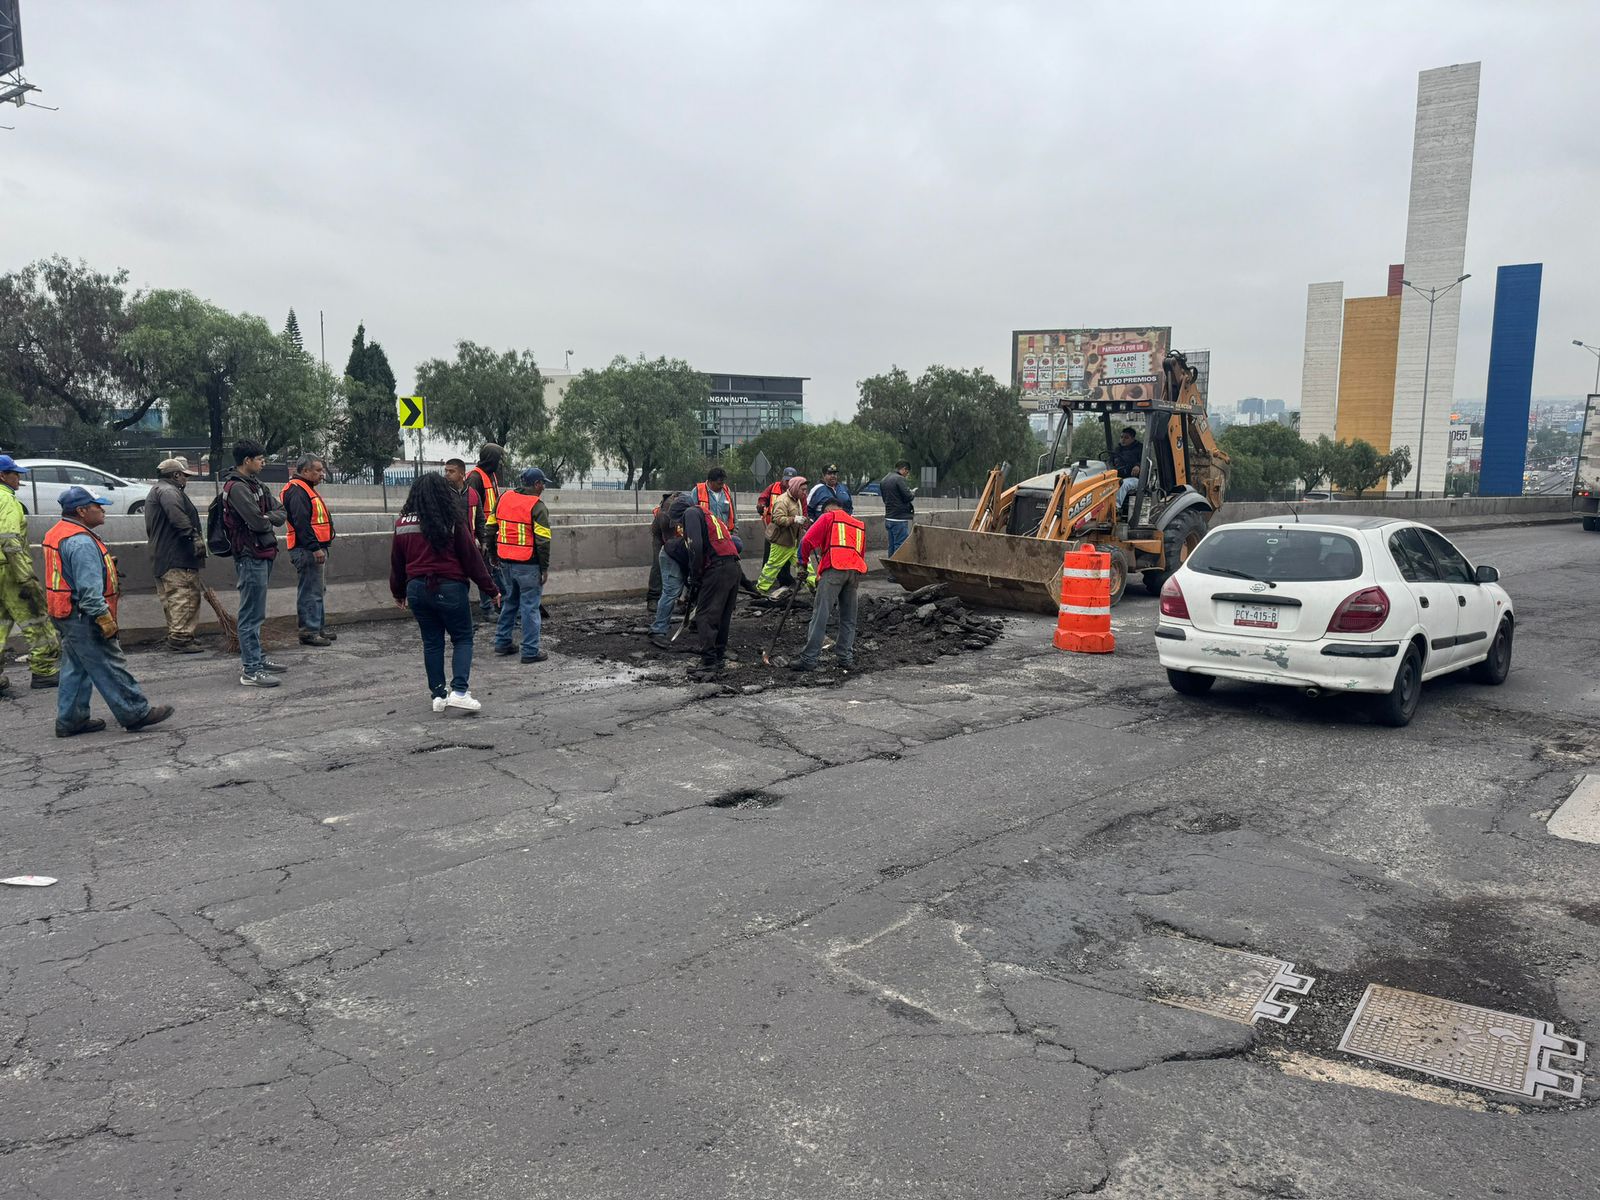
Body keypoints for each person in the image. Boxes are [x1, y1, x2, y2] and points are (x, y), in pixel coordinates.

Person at [42, 486, 173, 736]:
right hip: (84, 615)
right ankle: (135, 712)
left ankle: (71, 719)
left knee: (76, 667)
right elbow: (89, 591)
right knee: (109, 663)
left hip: (65, 612)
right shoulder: (81, 542)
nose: (102, 510)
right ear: (81, 511)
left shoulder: (58, 533)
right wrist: (104, 620)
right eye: (97, 506)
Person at [390, 472, 500, 713]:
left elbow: (397, 563)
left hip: (417, 589)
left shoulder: (402, 524)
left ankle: (439, 696)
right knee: (462, 638)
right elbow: (471, 559)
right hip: (449, 588)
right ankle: (460, 691)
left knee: (432, 642)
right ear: (443, 493)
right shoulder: (452, 520)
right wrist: (491, 589)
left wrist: (398, 592)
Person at [222, 438, 289, 688]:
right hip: (250, 554)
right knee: (250, 614)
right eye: (260, 459)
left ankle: (258, 658)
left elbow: (280, 512)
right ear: (247, 460)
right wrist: (267, 517)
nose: (263, 462)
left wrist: (267, 516)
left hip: (263, 552)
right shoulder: (237, 487)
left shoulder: (256, 484)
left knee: (257, 612)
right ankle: (251, 669)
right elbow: (258, 523)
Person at [0, 454, 61, 692]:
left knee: (2, 623)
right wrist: (25, 577)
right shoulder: (6, 500)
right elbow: (10, 540)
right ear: (3, 476)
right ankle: (44, 670)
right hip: (10, 571)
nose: (19, 478)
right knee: (36, 618)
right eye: (15, 474)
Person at [791, 498, 868, 673]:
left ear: (827, 510)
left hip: (834, 569)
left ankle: (809, 659)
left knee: (821, 615)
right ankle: (845, 658)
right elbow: (861, 552)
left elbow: (807, 541)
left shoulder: (828, 518)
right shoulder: (858, 524)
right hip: (854, 572)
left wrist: (802, 563)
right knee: (849, 618)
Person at [144, 457, 207, 654]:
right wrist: (194, 538)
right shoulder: (169, 492)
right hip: (176, 556)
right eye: (184, 476)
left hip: (162, 556)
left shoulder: (157, 490)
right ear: (176, 475)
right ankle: (181, 638)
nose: (186, 481)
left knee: (172, 598)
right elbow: (178, 518)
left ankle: (178, 634)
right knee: (184, 595)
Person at [676, 491, 741, 675]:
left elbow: (695, 547)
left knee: (705, 615)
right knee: (722, 616)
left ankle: (708, 661)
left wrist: (695, 576)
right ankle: (719, 657)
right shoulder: (709, 515)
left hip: (718, 568)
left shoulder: (690, 513)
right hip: (733, 567)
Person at [493, 467, 553, 664]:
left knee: (510, 601)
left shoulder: (504, 498)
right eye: (542, 483)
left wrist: (493, 554)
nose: (543, 487)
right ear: (536, 484)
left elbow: (490, 526)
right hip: (528, 564)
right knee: (530, 607)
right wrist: (544, 568)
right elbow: (543, 541)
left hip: (506, 562)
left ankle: (502, 642)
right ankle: (530, 651)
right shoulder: (537, 506)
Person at [281, 455, 336, 647]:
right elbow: (302, 524)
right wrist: (315, 548)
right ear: (305, 471)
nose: (322, 474)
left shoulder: (305, 489)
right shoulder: (297, 491)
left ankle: (317, 627)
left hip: (313, 548)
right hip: (307, 549)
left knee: (317, 590)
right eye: (318, 470)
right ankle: (309, 631)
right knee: (311, 591)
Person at [465, 444, 505, 620]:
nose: (500, 463)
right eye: (498, 459)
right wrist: (477, 537)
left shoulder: (491, 476)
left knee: (495, 570)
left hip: (492, 532)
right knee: (485, 571)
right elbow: (471, 509)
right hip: (481, 534)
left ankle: (500, 604)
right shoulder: (475, 478)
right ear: (491, 459)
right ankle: (487, 608)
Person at [647, 499, 691, 650]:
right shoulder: (666, 518)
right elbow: (671, 546)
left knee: (690, 582)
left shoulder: (693, 517)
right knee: (670, 590)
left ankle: (692, 615)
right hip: (668, 549)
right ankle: (657, 630)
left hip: (679, 549)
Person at [755, 474, 806, 597]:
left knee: (805, 564)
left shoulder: (797, 500)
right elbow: (777, 519)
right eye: (802, 489)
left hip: (794, 542)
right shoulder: (782, 500)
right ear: (794, 488)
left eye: (806, 490)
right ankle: (760, 590)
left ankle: (813, 586)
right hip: (782, 541)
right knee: (772, 566)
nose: (805, 493)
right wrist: (794, 519)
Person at [880, 460, 916, 559]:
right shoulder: (899, 479)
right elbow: (908, 496)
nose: (906, 475)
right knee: (900, 547)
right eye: (907, 472)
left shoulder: (884, 479)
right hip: (899, 519)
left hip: (889, 518)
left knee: (891, 546)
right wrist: (912, 493)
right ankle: (897, 570)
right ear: (904, 469)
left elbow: (885, 499)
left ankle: (891, 570)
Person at [646, 491, 674, 612]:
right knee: (658, 564)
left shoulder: (690, 510)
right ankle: (653, 598)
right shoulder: (665, 515)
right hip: (660, 535)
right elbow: (669, 541)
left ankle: (678, 598)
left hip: (673, 532)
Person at [1112, 427, 1143, 508]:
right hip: (1118, 477)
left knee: (1124, 484)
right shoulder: (1117, 449)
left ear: (1133, 439)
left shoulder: (1140, 449)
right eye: (1121, 437)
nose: (1123, 440)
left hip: (1136, 479)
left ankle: (1115, 509)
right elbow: (1110, 462)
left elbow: (1144, 461)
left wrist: (1138, 466)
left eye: (1126, 437)